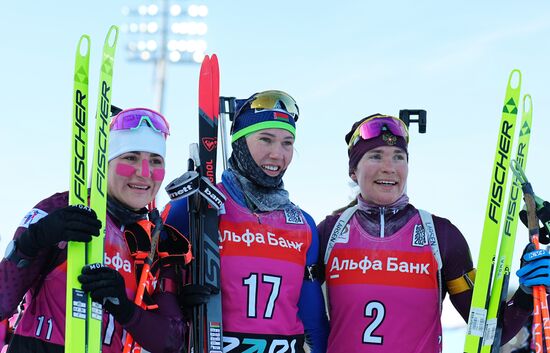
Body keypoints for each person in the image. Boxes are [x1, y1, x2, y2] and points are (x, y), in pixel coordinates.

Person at [317, 113, 550, 352]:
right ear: (353, 171)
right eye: (376, 156)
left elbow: (490, 334)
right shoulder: (330, 233)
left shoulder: (441, 236)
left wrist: (524, 292)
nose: (389, 168)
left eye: (399, 157)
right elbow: (293, 311)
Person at [0, 107, 188, 353]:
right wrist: (32, 242)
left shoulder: (159, 241)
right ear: (105, 163)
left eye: (155, 161)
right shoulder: (59, 209)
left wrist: (124, 308)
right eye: (130, 157)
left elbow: (171, 341)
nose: (145, 173)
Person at [166, 90, 329, 353]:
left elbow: (314, 323)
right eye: (266, 139)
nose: (278, 154)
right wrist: (176, 302)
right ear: (239, 142)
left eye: (287, 143)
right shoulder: (196, 206)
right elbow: (150, 285)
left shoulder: (302, 224)